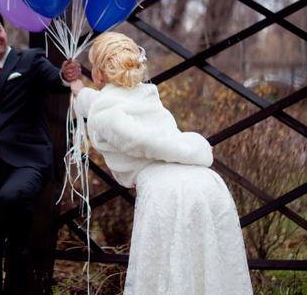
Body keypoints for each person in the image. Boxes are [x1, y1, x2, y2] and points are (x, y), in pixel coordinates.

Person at [70, 32, 252, 295]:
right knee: (208, 266)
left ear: (98, 74)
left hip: (170, 194)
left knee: (168, 276)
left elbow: (150, 141)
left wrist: (197, 146)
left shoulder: (106, 113)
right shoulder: (143, 95)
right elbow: (97, 103)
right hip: (206, 186)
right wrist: (75, 87)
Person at [0, 7, 81, 295]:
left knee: (13, 197)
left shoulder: (29, 60)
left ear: (4, 29)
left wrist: (66, 75)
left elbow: (55, 80)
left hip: (27, 162)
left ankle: (16, 269)